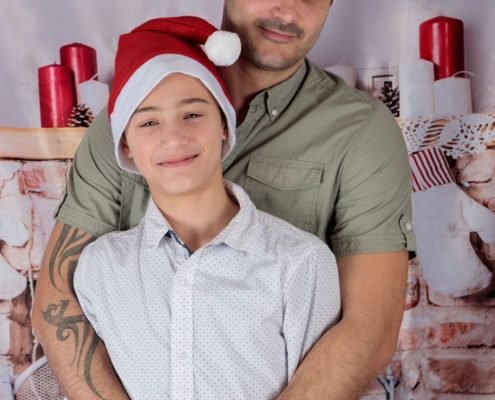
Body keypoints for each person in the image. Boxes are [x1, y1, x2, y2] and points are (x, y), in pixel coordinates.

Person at [32, 1, 416, 399]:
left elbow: (367, 329)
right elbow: (59, 297)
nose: (288, 11)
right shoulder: (128, 113)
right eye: (150, 122)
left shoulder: (360, 132)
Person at [72, 17, 341, 400]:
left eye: (193, 114)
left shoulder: (301, 263)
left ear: (224, 125)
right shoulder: (101, 268)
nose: (174, 137)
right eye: (149, 122)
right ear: (126, 143)